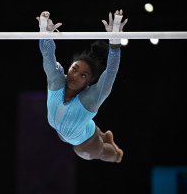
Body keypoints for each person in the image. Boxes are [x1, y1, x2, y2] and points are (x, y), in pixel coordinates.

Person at [36, 9, 128, 163]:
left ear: (88, 82)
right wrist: (45, 34)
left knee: (107, 154)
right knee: (89, 130)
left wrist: (115, 43)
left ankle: (115, 151)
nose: (75, 76)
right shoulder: (57, 82)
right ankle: (104, 136)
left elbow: (110, 73)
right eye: (74, 69)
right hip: (74, 128)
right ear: (69, 67)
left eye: (83, 75)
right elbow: (47, 56)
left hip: (85, 141)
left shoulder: (90, 99)